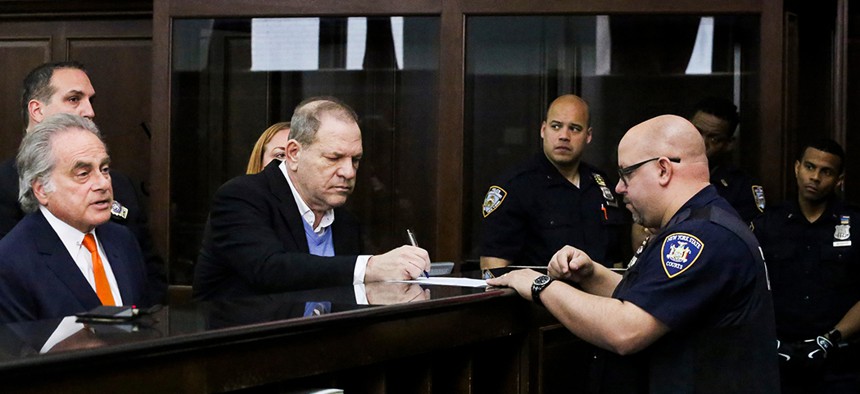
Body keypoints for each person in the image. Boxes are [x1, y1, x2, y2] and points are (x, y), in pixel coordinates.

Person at [488, 115, 779, 393]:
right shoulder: (697, 223)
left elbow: (626, 331)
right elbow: (657, 301)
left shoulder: (700, 236)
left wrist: (539, 285)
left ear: (663, 170)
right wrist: (592, 274)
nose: (618, 188)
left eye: (626, 173)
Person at [194, 97, 430, 300]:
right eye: (333, 158)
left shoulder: (345, 221)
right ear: (294, 154)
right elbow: (269, 269)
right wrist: (369, 266)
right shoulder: (241, 196)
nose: (348, 172)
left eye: (355, 160)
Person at [0, 61, 167, 304]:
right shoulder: (6, 189)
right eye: (74, 99)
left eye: (104, 169)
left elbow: (149, 275)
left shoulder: (120, 189)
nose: (89, 111)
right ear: (37, 110)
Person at [0, 114, 151, 323]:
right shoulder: (11, 262)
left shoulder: (123, 240)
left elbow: (140, 324)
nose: (103, 183)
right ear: (42, 190)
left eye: (104, 169)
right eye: (83, 173)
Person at [752, 139, 860, 393]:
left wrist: (831, 339)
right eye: (810, 167)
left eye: (826, 171)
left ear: (839, 179)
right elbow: (748, 288)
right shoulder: (769, 224)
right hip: (778, 357)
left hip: (838, 363)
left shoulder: (855, 225)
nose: (815, 177)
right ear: (796, 168)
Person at [479, 94, 628, 270]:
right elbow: (493, 269)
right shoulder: (516, 186)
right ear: (543, 130)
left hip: (599, 296)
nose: (564, 136)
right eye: (556, 126)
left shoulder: (601, 185)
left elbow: (616, 261)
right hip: (538, 296)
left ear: (588, 136)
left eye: (574, 128)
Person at [691, 97, 765, 222]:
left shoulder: (741, 187)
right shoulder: (665, 169)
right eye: (697, 132)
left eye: (714, 139)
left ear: (729, 144)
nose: (702, 142)